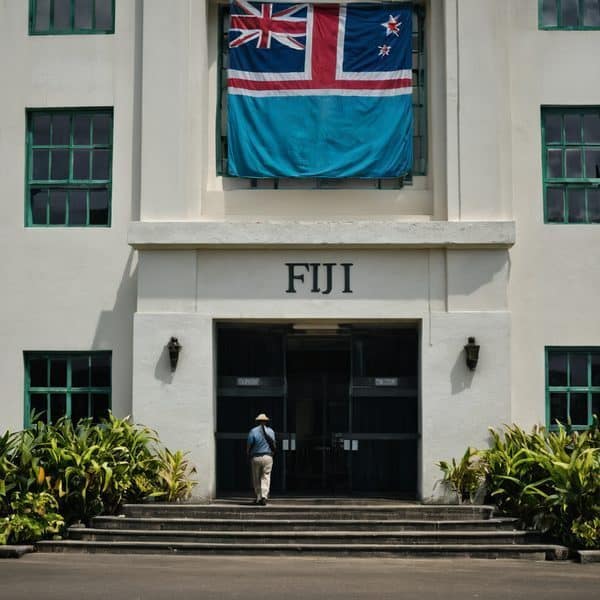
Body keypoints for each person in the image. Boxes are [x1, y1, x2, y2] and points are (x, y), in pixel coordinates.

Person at [247, 413, 276, 506]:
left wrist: (248, 453)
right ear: (266, 421)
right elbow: (274, 444)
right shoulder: (271, 431)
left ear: (257, 421)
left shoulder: (253, 431)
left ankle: (258, 497)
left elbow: (249, 445)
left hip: (256, 457)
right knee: (266, 476)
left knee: (256, 477)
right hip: (268, 457)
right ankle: (264, 496)